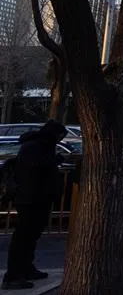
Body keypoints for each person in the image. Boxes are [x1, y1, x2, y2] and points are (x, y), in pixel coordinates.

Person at [2, 120, 67, 290]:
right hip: (29, 198)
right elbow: (33, 169)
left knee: (30, 237)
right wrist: (53, 161)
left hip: (38, 197)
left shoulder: (41, 146)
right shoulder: (34, 147)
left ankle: (25, 268)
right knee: (23, 237)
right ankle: (13, 275)